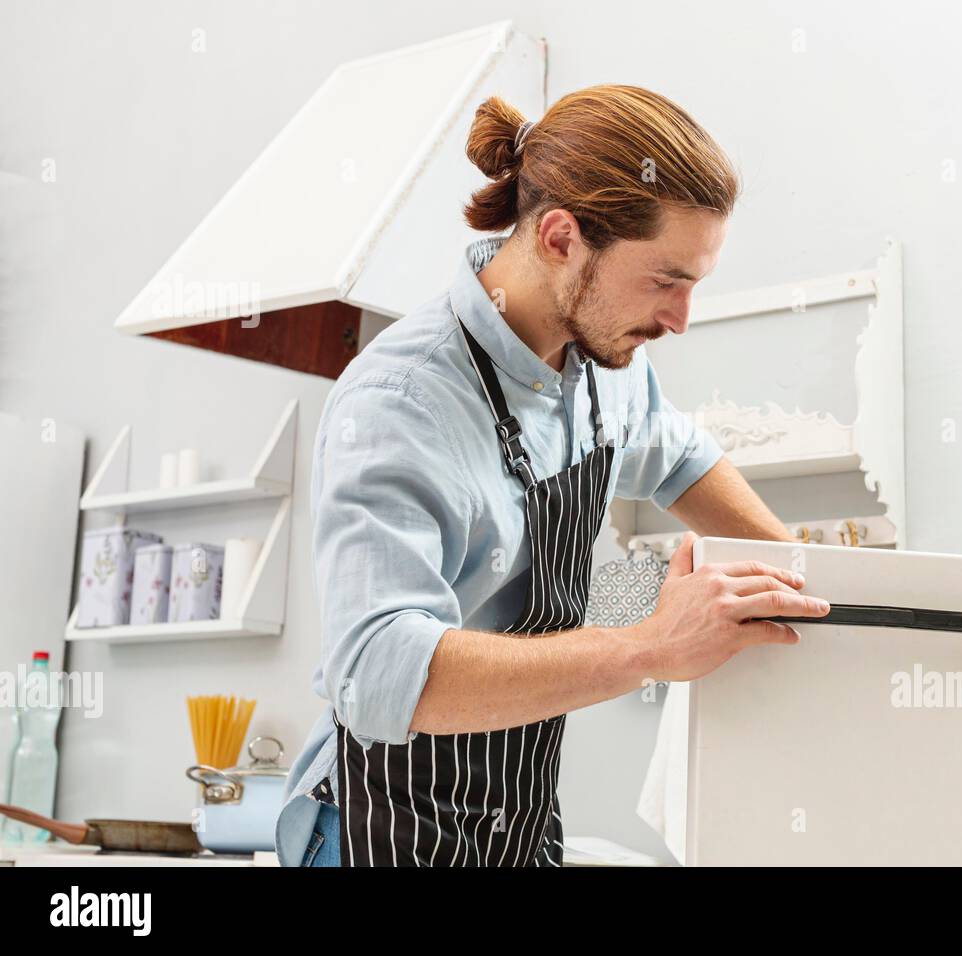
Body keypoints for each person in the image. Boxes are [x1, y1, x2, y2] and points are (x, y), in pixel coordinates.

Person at [276, 84, 829, 867]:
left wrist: (821, 585)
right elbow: (377, 670)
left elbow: (679, 457)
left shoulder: (605, 367)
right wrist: (649, 646)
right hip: (380, 832)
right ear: (562, 238)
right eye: (665, 280)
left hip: (518, 825)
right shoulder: (401, 400)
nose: (680, 319)